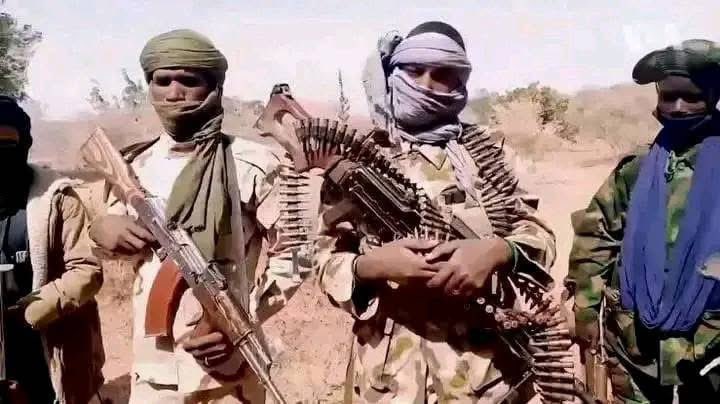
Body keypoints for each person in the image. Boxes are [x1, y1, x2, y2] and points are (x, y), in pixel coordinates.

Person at [315, 21, 556, 402]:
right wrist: (371, 266)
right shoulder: (356, 164)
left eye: (442, 75)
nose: (426, 84)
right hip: (388, 380)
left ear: (459, 84)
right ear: (394, 73)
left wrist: (496, 251)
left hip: (483, 377)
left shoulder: (490, 154)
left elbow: (540, 236)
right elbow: (324, 260)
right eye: (414, 70)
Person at [87, 29, 310, 403]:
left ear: (214, 87)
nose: (175, 93)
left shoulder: (253, 164)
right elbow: (113, 249)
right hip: (155, 369)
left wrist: (240, 317)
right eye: (162, 81)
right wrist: (102, 231)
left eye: (189, 81)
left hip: (230, 365)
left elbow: (297, 252)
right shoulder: (134, 167)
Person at [566, 39, 720, 403]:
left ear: (713, 97)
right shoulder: (636, 169)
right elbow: (597, 237)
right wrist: (585, 308)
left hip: (710, 343)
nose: (678, 108)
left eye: (691, 97)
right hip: (635, 341)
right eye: (668, 97)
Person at [0, 96, 104, 403]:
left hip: (47, 344)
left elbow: (86, 270)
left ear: (25, 143)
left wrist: (31, 311)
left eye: (6, 143)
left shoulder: (57, 200)